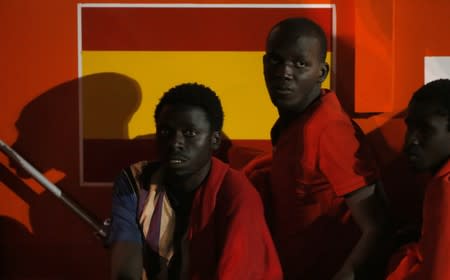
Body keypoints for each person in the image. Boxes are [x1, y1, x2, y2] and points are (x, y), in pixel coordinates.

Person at [248, 17, 390, 279]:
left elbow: (377, 226)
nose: (284, 72)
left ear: (321, 73)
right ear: (264, 64)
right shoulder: (295, 121)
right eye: (276, 60)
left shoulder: (329, 129)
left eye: (300, 63)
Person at [108, 83, 282, 280]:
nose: (175, 143)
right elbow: (124, 271)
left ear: (214, 140)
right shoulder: (136, 181)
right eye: (166, 132)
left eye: (189, 133)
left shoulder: (236, 194)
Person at [386, 79, 450, 280]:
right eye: (410, 127)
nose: (410, 140)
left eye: (425, 129)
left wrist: (404, 258)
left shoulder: (445, 186)